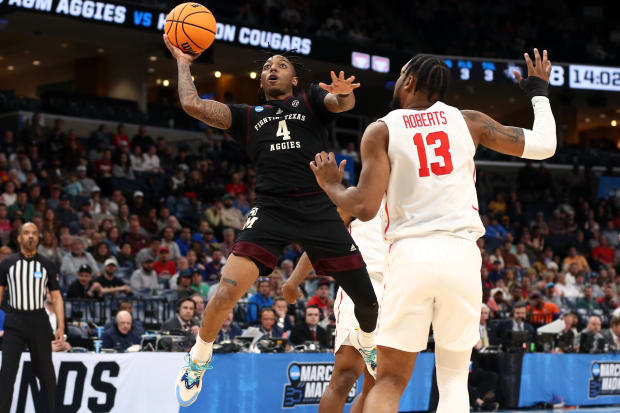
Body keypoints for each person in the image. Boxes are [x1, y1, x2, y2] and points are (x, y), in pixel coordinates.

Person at [309, 50, 556, 413]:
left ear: (409, 81)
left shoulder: (382, 128)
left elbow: (363, 207)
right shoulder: (469, 121)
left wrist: (331, 185)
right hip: (461, 256)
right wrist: (538, 91)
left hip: (410, 257)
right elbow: (545, 146)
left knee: (390, 380)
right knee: (454, 379)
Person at [164, 36, 379, 407]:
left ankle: (369, 343)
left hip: (318, 208)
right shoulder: (248, 117)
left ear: (294, 78)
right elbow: (191, 104)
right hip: (271, 211)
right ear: (261, 82)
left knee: (369, 304)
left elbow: (342, 103)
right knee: (225, 291)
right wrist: (183, 62)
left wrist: (344, 95)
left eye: (280, 65)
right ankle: (199, 358)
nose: (271, 69)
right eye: (266, 67)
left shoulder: (310, 101)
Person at [283, 208, 386, 413]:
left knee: (377, 383)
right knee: (346, 375)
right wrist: (293, 281)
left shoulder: (409, 195)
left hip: (397, 290)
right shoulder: (359, 196)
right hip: (361, 284)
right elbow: (322, 238)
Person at [0, 222, 65, 413]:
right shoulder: (7, 264)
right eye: (26, 233)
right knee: (7, 375)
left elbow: (56, 296)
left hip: (39, 321)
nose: (30, 236)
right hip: (15, 320)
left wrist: (61, 326)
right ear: (19, 237)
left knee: (46, 375)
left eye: (34, 233)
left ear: (38, 238)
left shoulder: (47, 264)